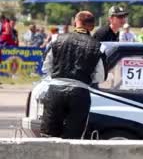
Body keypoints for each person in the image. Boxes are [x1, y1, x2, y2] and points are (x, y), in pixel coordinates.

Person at [40, 11, 105, 139]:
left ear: (75, 22)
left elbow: (46, 67)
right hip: (79, 93)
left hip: (55, 91)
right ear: (92, 27)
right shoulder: (98, 47)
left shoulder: (57, 40)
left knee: (48, 137)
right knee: (73, 139)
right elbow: (100, 77)